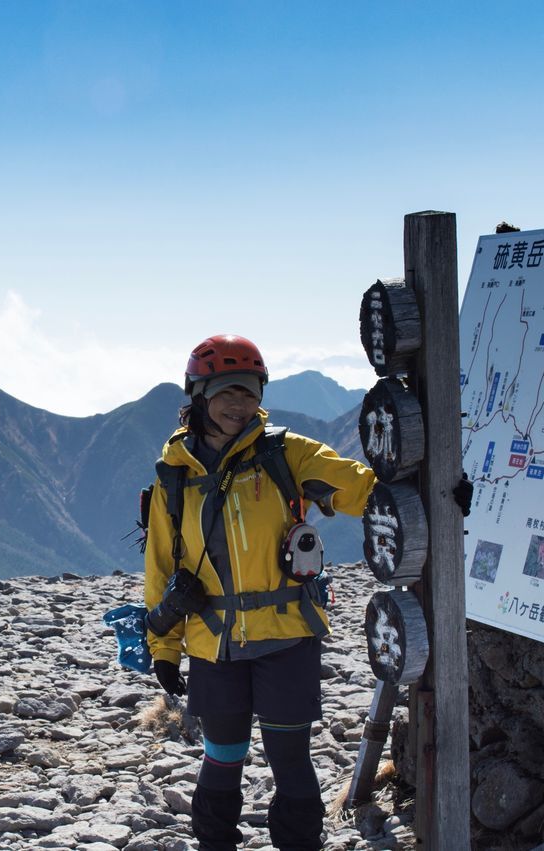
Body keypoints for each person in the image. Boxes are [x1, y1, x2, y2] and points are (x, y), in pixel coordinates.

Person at [144, 334, 376, 851]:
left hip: (287, 636)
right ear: (199, 395)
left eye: (249, 393)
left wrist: (427, 484)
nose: (239, 404)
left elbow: (358, 487)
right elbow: (163, 566)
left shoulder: (286, 454)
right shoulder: (174, 476)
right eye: (227, 392)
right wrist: (164, 648)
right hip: (214, 644)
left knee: (290, 760)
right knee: (222, 758)